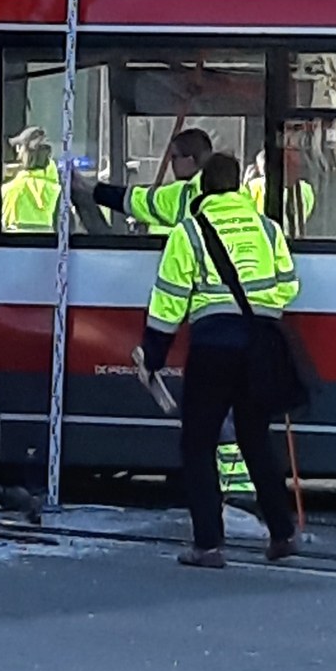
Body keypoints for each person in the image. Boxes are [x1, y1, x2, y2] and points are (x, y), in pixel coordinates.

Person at [140, 151, 301, 569]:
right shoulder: (268, 228)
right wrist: (263, 314)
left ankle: (208, 546)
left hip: (214, 347)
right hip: (261, 346)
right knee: (255, 440)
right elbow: (288, 285)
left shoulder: (189, 232)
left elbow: (168, 301)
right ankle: (282, 534)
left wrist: (153, 355)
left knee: (198, 443)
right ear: (238, 185)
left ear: (204, 186)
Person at [97, 127, 211, 233]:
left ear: (189, 160)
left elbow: (134, 201)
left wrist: (94, 190)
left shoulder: (183, 194)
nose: (171, 163)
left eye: (175, 157)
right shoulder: (222, 189)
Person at [0, 130, 62, 233]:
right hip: (47, 239)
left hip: (13, 239)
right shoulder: (55, 187)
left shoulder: (9, 188)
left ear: (22, 151)